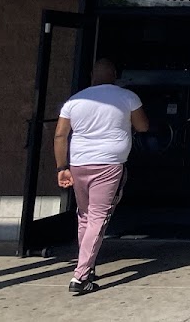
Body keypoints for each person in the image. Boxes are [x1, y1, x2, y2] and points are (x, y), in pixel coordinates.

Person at [54, 58, 149, 296]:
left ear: (91, 75)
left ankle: (88, 265)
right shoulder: (127, 97)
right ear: (115, 75)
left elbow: (60, 136)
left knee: (84, 216)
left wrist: (61, 167)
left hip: (78, 163)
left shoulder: (74, 101)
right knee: (98, 217)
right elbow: (143, 126)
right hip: (109, 163)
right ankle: (81, 275)